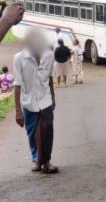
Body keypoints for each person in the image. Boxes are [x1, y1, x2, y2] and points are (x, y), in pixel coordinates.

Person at [13, 27, 58, 173]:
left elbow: (49, 77)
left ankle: (47, 161)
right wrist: (18, 110)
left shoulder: (50, 55)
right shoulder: (19, 58)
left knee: (47, 132)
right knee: (32, 134)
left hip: (46, 101)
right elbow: (17, 85)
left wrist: (53, 97)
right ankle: (36, 159)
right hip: (29, 103)